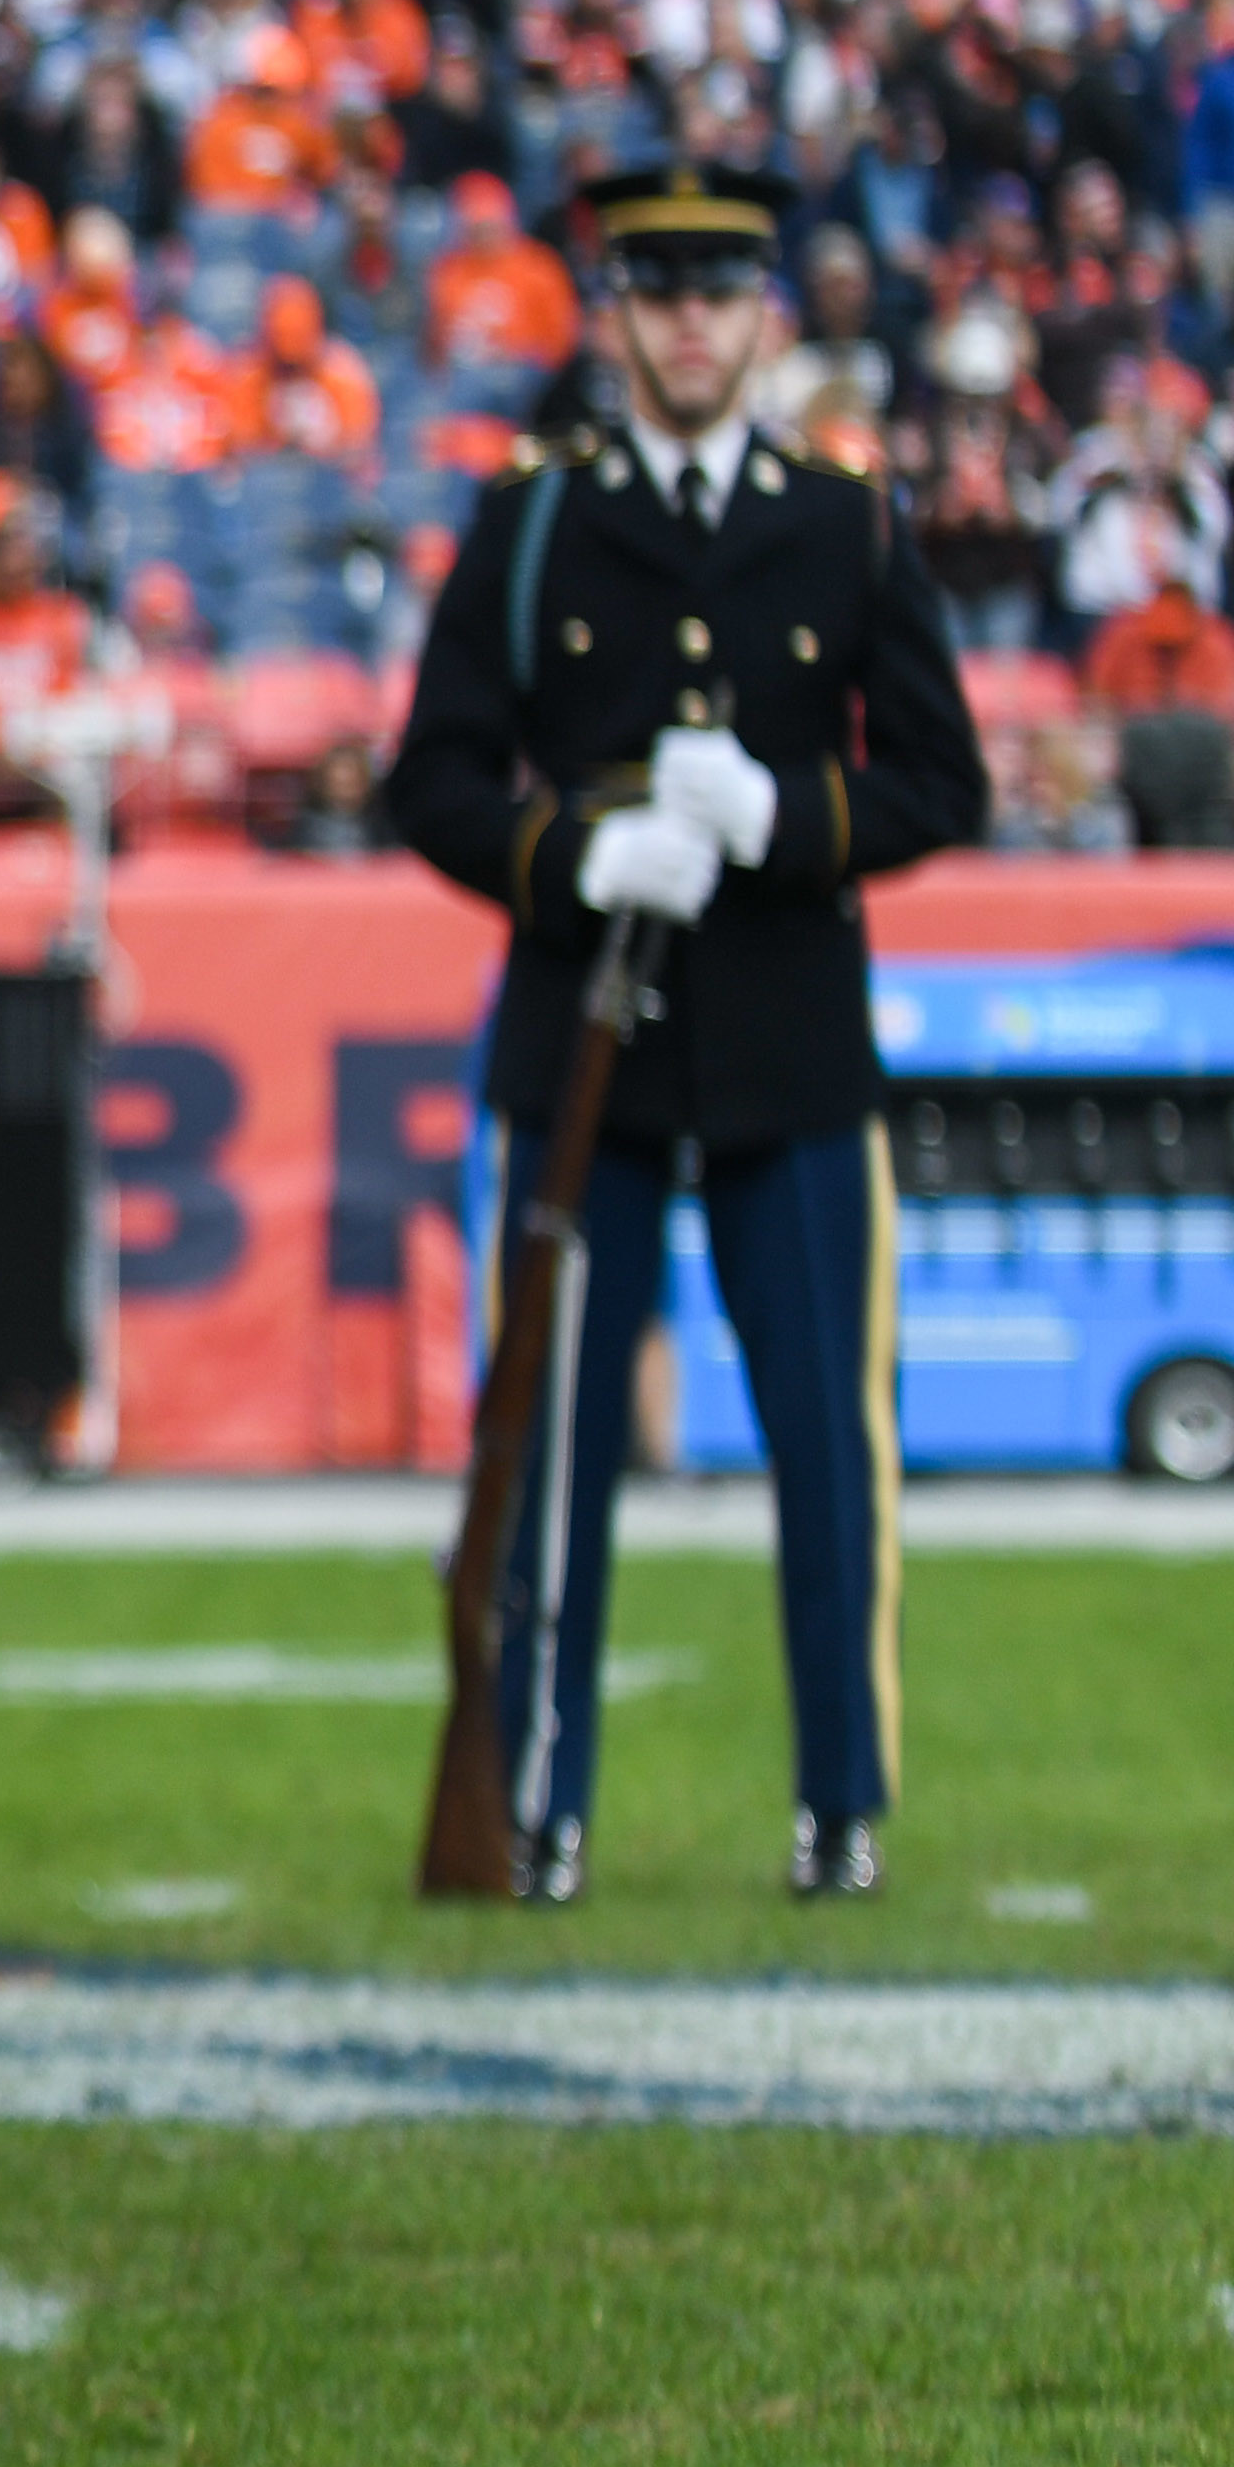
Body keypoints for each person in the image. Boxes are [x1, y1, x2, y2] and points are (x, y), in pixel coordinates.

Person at [383, 164, 988, 1904]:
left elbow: (944, 781)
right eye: (659, 291)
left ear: (768, 314)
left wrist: (784, 818)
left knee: (825, 1439)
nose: (693, 324)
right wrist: (574, 855)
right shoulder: (536, 525)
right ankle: (543, 1800)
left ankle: (840, 1800)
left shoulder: (844, 522)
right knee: (558, 1443)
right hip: (589, 1058)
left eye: (721, 291)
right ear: (617, 314)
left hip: (795, 1048)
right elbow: (431, 777)